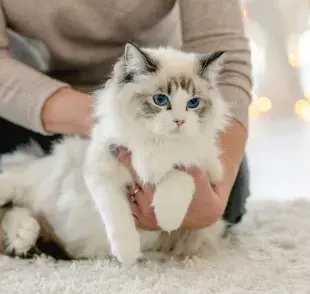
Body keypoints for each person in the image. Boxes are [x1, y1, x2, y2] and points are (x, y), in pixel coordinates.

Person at [0, 1, 251, 243]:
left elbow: (228, 64)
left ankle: (34, 219)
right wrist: (113, 121)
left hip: (160, 99)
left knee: (229, 195)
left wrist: (213, 201)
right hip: (35, 99)